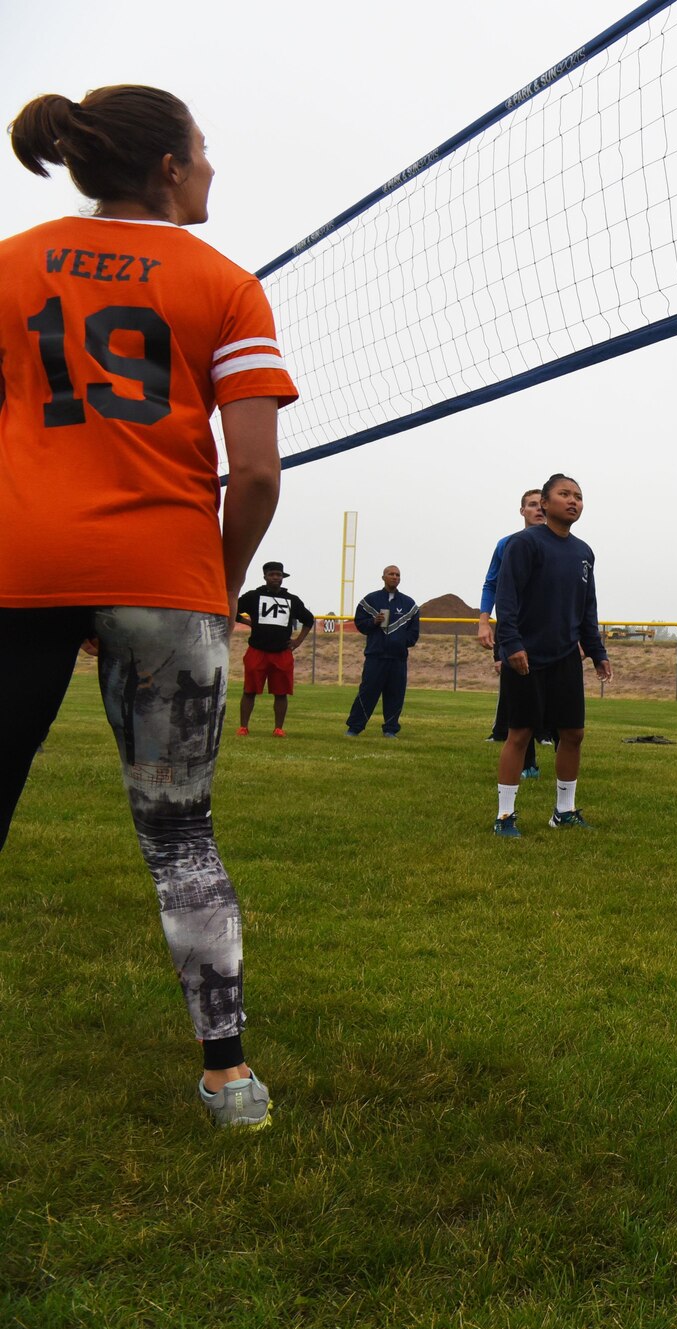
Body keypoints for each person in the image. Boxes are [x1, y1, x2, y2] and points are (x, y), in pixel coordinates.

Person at [0, 84, 296, 1128]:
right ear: (168, 167)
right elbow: (256, 476)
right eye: (203, 151)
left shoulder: (10, 262)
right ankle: (228, 1083)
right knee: (180, 838)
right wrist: (214, 586)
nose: (211, 167)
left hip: (19, 563)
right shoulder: (224, 284)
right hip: (163, 575)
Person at [492, 473, 611, 836]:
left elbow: (586, 608)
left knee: (573, 733)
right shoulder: (524, 544)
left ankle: (564, 811)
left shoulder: (583, 553)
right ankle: (505, 816)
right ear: (544, 503)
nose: (573, 501)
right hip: (526, 657)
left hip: (565, 659)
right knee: (520, 733)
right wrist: (511, 644)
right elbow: (506, 598)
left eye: (578, 496)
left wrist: (596, 651)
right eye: (564, 494)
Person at [478, 489, 546, 776]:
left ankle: (554, 744)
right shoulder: (506, 545)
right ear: (522, 511)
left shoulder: (563, 544)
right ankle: (527, 762)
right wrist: (483, 621)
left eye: (542, 504)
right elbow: (491, 584)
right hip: (518, 630)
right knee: (521, 695)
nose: (538, 509)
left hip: (552, 631)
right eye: (532, 505)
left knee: (553, 697)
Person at [235, 560, 312, 736]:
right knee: (249, 690)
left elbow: (308, 619)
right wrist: (248, 622)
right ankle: (243, 727)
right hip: (257, 650)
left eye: (279, 575)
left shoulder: (292, 600)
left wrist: (298, 641)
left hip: (282, 652)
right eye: (272, 574)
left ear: (283, 577)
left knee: (281, 692)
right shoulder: (254, 596)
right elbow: (233, 609)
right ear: (265, 576)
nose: (276, 578)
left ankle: (278, 728)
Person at [343, 565, 420, 737]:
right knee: (367, 692)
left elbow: (414, 633)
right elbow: (360, 624)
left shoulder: (409, 604)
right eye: (391, 574)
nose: (394, 577)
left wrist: (400, 642)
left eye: (398, 575)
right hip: (375, 656)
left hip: (398, 658)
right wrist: (373, 622)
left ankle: (391, 729)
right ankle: (354, 727)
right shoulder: (370, 600)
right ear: (383, 577)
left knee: (395, 694)